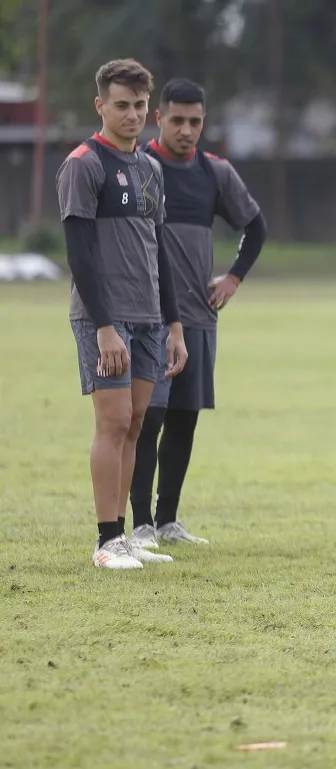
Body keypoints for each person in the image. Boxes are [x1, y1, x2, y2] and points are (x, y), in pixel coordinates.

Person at [56, 58, 187, 569]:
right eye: (120, 106)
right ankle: (106, 540)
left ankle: (126, 536)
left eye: (138, 107)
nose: (131, 115)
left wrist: (173, 323)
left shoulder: (151, 169)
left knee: (134, 425)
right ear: (100, 106)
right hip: (103, 320)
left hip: (151, 319)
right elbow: (80, 254)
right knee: (111, 424)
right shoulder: (83, 164)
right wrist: (105, 327)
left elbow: (159, 251)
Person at [127, 78, 267, 548]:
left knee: (184, 419)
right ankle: (140, 523)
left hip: (199, 320)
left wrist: (233, 277)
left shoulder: (215, 172)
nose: (187, 130)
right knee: (149, 420)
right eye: (178, 120)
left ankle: (167, 521)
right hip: (150, 320)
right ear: (158, 118)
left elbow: (256, 226)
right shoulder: (140, 167)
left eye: (196, 121)